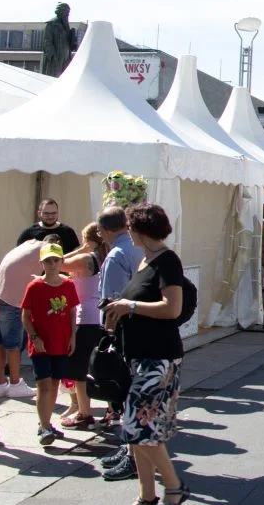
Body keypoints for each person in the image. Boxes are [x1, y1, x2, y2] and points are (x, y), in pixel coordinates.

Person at [101, 202, 190, 505]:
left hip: (159, 357)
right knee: (140, 431)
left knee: (136, 426)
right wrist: (118, 311)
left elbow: (172, 307)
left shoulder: (167, 261)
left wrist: (130, 306)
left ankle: (174, 485)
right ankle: (146, 495)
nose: (128, 231)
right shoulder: (144, 261)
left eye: (130, 226)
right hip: (139, 357)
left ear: (141, 229)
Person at [94, 206, 144, 480]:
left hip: (126, 330)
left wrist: (108, 332)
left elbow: (111, 301)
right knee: (132, 395)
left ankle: (131, 453)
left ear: (105, 230)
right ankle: (128, 449)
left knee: (126, 395)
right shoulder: (138, 250)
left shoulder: (117, 255)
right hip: (142, 328)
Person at [21, 242, 79, 445]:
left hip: (61, 342)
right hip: (41, 344)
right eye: (48, 261)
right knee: (43, 384)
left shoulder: (68, 285)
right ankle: (44, 426)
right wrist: (34, 337)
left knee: (55, 383)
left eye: (56, 260)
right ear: (42, 263)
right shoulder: (35, 287)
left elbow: (72, 312)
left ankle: (47, 423)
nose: (52, 264)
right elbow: (26, 315)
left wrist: (73, 336)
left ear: (62, 261)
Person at [0, 236, 62, 399]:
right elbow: (60, 267)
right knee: (13, 346)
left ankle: (1, 384)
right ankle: (15, 384)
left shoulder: (29, 244)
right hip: (11, 299)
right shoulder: (45, 250)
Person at [57, 223, 109, 430]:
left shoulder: (86, 258)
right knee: (101, 365)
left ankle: (84, 412)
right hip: (101, 315)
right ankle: (111, 409)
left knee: (79, 366)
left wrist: (82, 248)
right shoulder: (107, 257)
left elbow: (57, 263)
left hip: (85, 316)